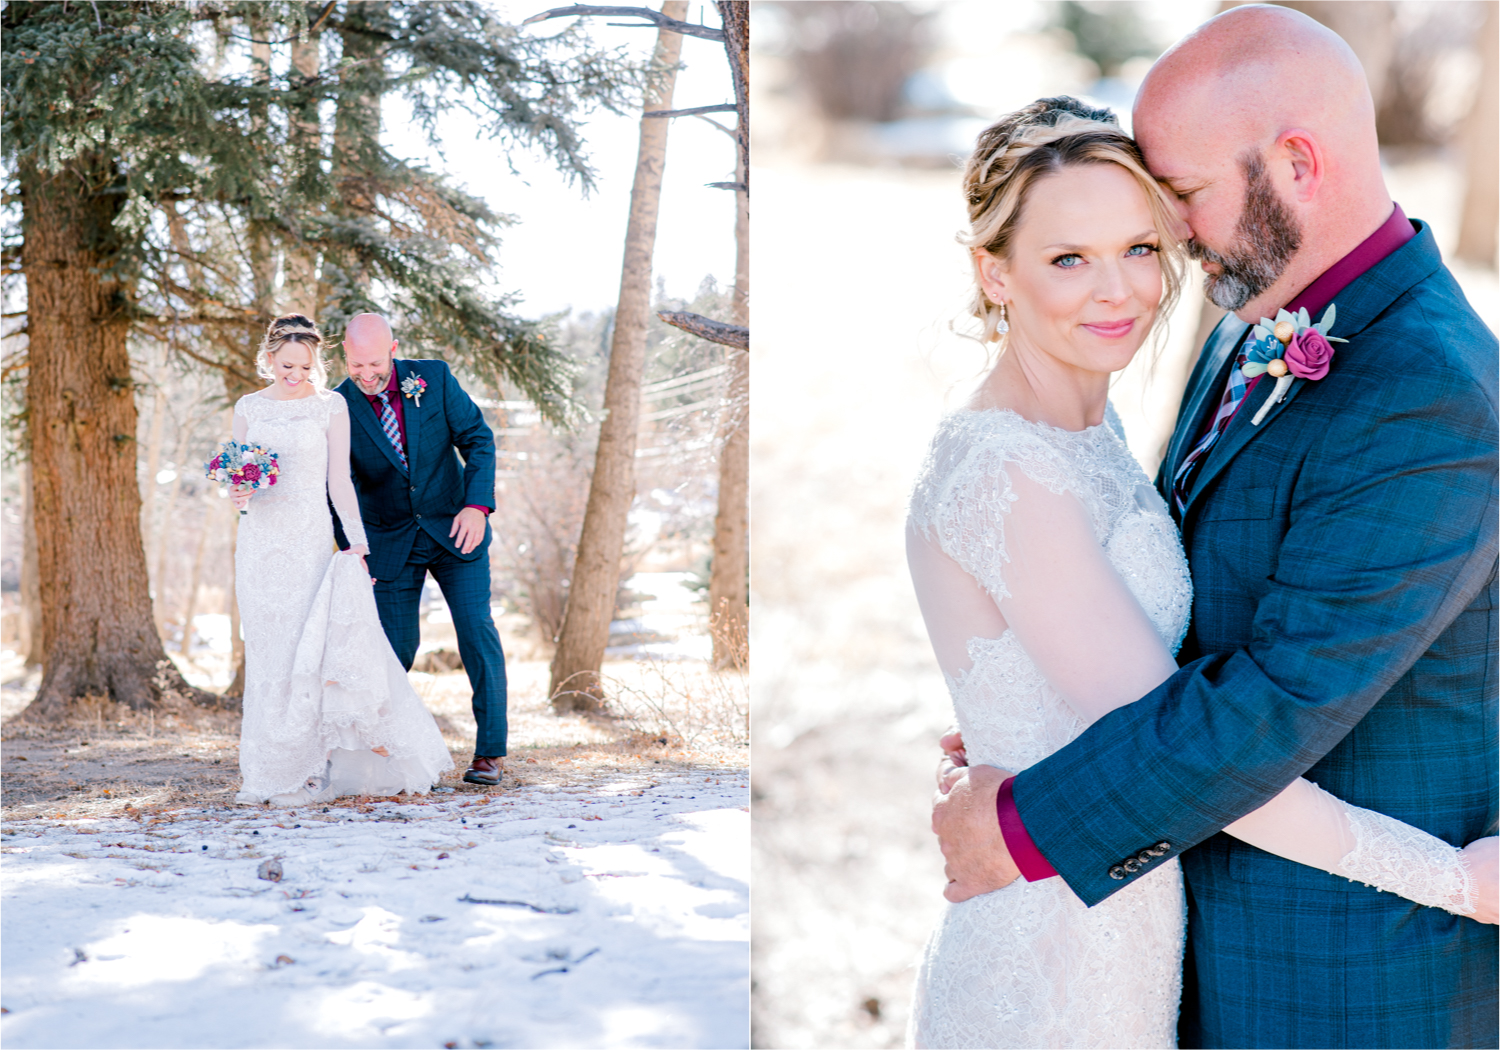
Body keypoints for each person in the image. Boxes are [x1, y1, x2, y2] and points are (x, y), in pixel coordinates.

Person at [930, 8, 1498, 1049]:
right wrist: (1043, 709)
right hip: (1179, 923)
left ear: (1295, 163)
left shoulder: (1429, 393)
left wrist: (1025, 819)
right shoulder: (1253, 318)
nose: (1171, 242)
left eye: (1179, 200)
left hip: (1347, 978)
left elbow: (1278, 698)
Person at [231, 315, 454, 806]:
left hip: (309, 543)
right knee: (269, 657)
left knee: (306, 654)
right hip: (260, 546)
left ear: (316, 363)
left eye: (305, 366)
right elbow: (240, 480)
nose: (295, 375)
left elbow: (339, 482)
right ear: (269, 359)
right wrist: (240, 490)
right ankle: (268, 770)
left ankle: (313, 771)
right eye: (286, 365)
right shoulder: (247, 407)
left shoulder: (329, 406)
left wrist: (356, 543)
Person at [333, 313, 508, 788]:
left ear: (393, 349)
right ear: (343, 354)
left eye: (374, 364)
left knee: (476, 632)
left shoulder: (433, 377)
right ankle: (384, 753)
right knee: (393, 649)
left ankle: (489, 753)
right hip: (388, 542)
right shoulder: (337, 405)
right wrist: (354, 549)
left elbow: (478, 440)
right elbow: (336, 484)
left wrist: (477, 507)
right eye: (355, 365)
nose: (366, 375)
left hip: (456, 529)